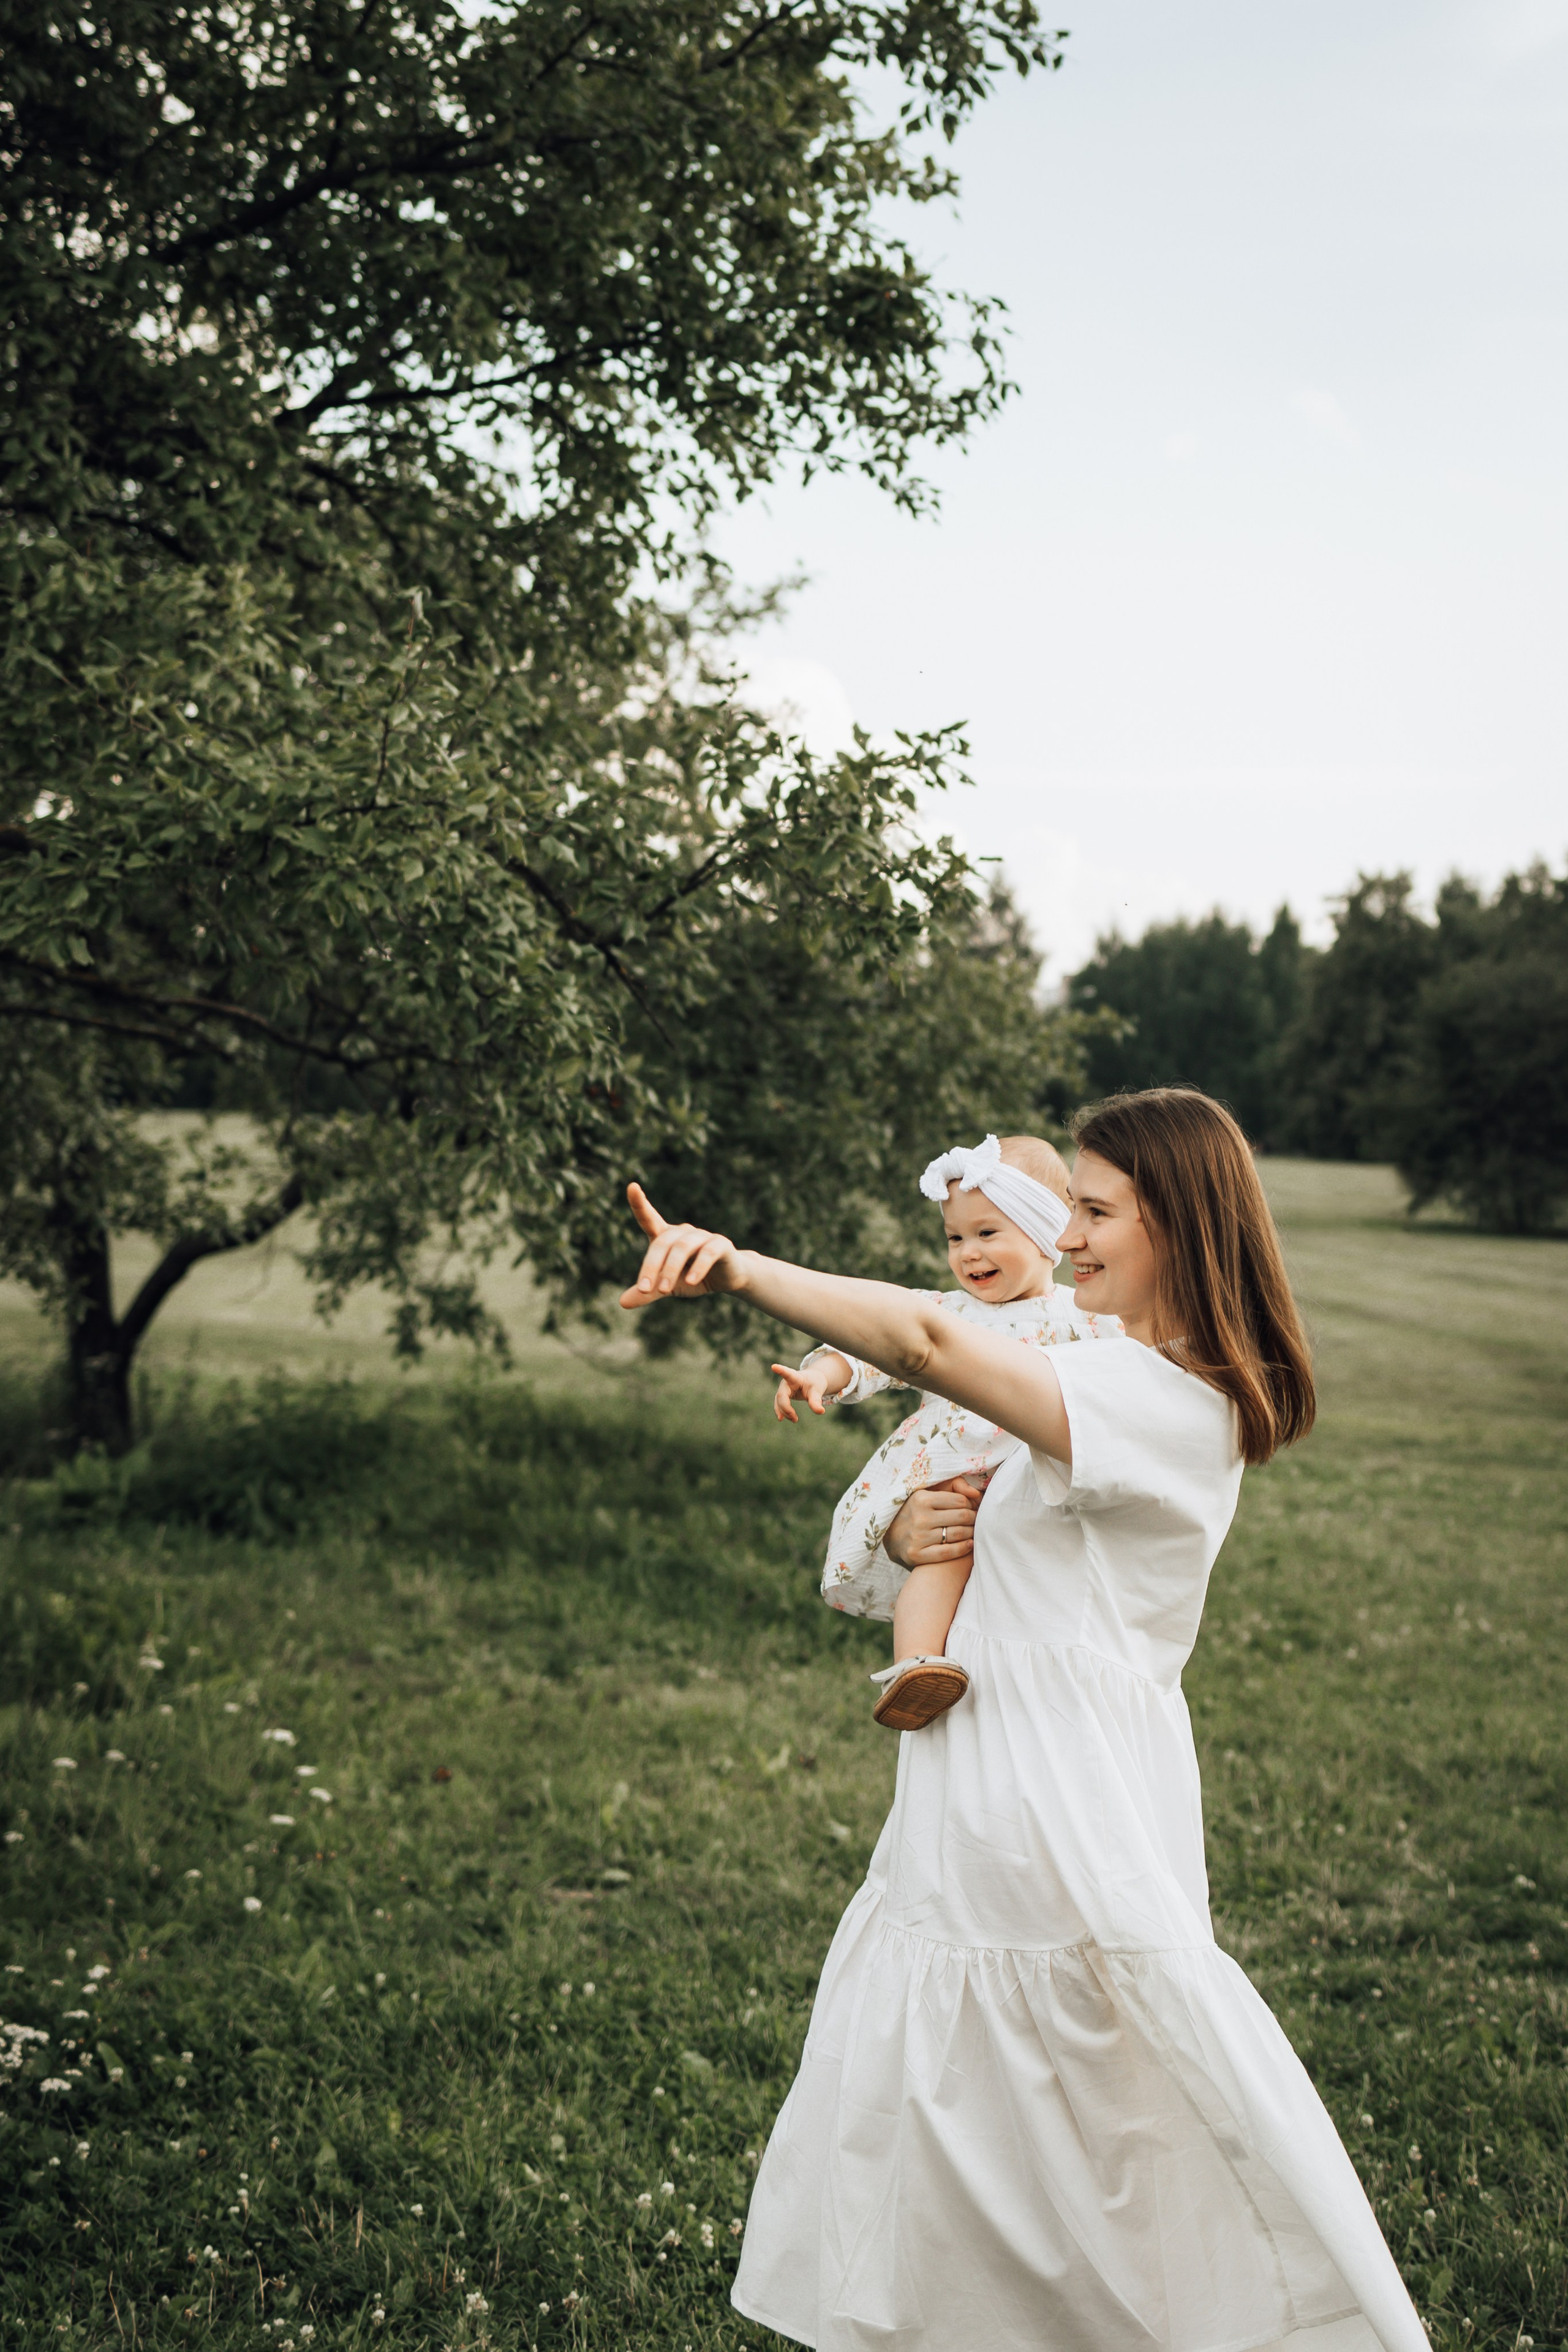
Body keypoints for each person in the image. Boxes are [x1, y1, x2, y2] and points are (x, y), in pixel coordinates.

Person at [621, 1088, 1427, 2352]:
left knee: (1104, 2141)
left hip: (1064, 1809)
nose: (1068, 1238)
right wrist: (901, 1530)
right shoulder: (1091, 1367)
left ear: (1180, 1225)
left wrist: (741, 1270)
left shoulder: (1169, 1400)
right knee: (968, 2141)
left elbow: (930, 1347)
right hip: (972, 1797)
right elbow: (977, 1500)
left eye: (1095, 1212)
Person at [769, 1132, 1114, 1732]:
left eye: (987, 1234)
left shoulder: (1082, 1316)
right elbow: (871, 1344)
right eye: (954, 1237)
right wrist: (820, 1373)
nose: (967, 1253)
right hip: (954, 1480)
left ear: (1047, 1233)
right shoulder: (948, 1312)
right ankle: (916, 1668)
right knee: (941, 1561)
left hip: (1037, 1490)